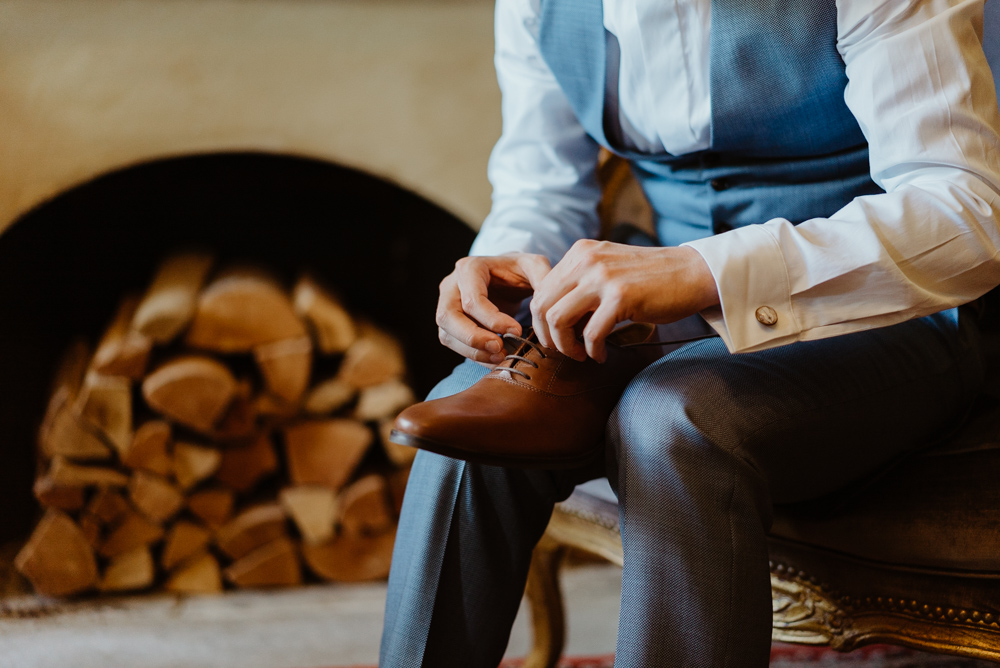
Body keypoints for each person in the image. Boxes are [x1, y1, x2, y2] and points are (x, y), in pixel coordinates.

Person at [379, 0, 1000, 666]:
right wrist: (505, 258)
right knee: (468, 416)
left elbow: (965, 214)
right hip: (655, 288)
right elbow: (543, 186)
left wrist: (704, 270)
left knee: (673, 418)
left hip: (893, 313)